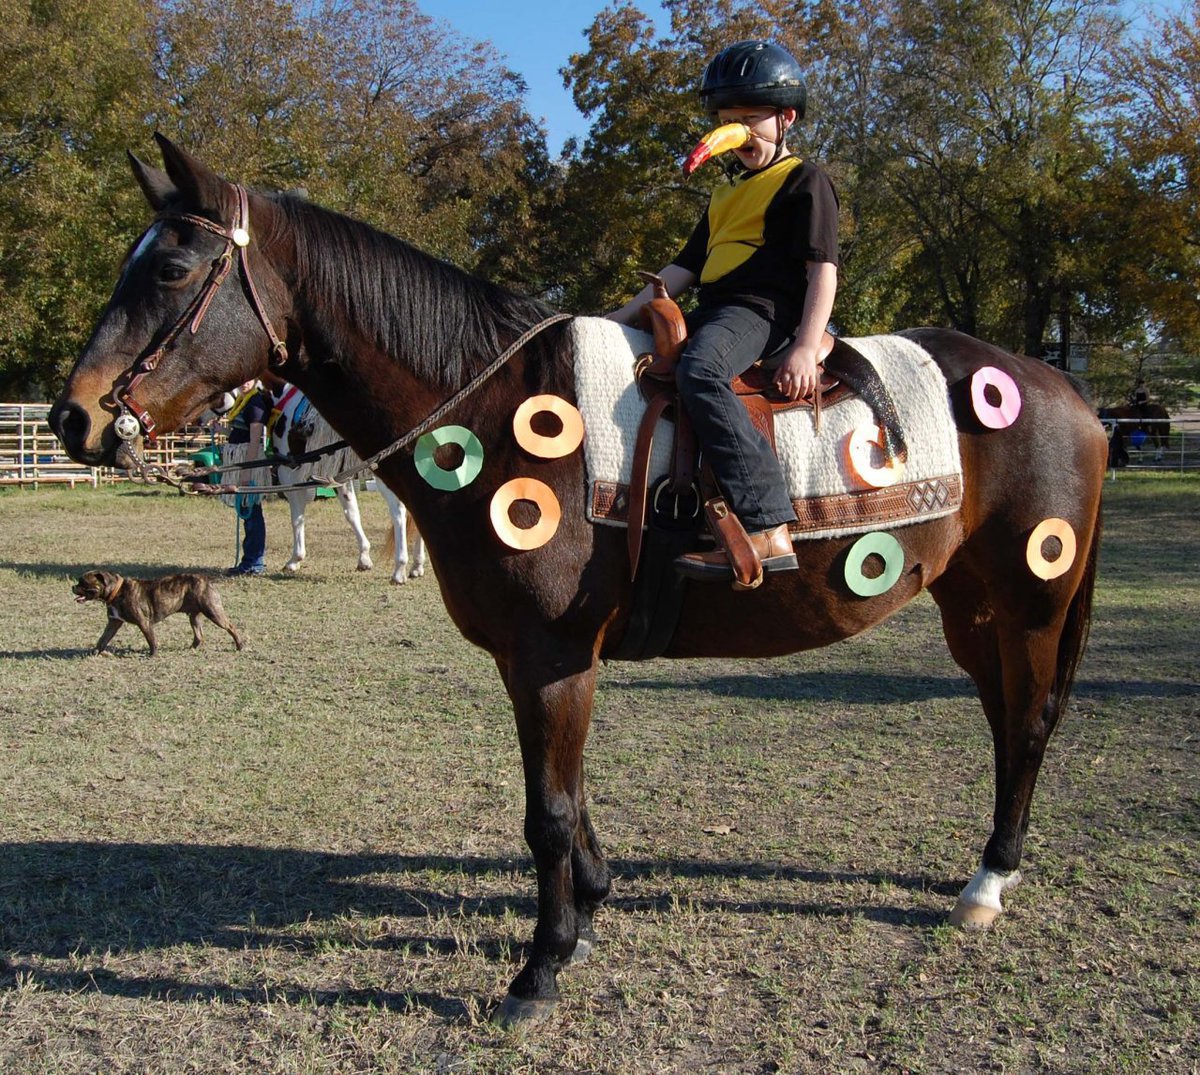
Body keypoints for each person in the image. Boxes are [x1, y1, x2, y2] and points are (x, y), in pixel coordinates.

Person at [607, 40, 839, 585]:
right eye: (729, 120)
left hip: (761, 309)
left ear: (785, 118)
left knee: (700, 370)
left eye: (751, 119)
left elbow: (822, 270)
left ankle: (766, 525)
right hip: (714, 309)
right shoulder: (723, 195)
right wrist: (613, 319)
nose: (740, 131)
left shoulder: (804, 180)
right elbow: (680, 271)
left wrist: (806, 346)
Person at [221, 380, 271, 576]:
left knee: (252, 513)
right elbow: (240, 433)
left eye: (249, 380)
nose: (244, 384)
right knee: (247, 513)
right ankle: (250, 560)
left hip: (248, 462)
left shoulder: (255, 403)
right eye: (242, 380)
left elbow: (254, 439)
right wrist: (221, 430)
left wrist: (247, 471)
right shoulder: (244, 401)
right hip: (241, 460)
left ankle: (254, 562)